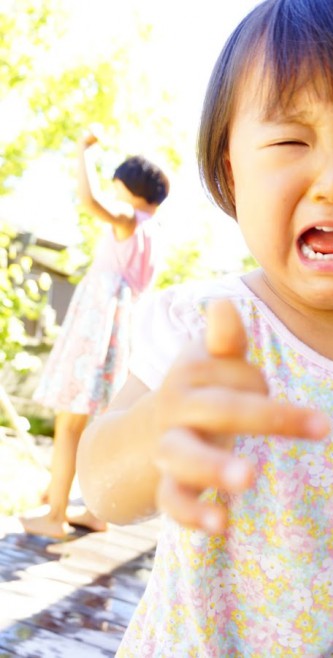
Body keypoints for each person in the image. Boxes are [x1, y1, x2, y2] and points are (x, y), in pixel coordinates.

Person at [77, 0, 333, 654]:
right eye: (289, 141)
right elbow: (102, 487)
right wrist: (159, 429)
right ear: (229, 173)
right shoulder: (208, 327)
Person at [21, 130, 170, 539]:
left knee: (69, 423)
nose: (114, 190)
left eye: (118, 183)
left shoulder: (128, 221)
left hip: (96, 327)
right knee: (93, 425)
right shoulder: (154, 234)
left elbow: (88, 202)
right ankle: (91, 510)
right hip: (120, 331)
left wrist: (81, 150)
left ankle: (55, 517)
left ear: (133, 189)